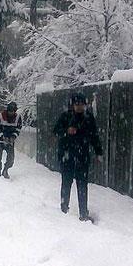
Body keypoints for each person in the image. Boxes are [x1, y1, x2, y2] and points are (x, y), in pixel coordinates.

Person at [54, 93, 103, 221]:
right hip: (67, 155)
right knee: (67, 182)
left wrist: (98, 152)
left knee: (82, 184)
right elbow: (56, 130)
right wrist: (66, 130)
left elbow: (94, 136)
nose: (80, 107)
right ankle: (64, 208)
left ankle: (83, 213)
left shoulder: (88, 118)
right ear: (73, 105)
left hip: (82, 156)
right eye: (77, 104)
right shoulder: (66, 117)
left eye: (82, 104)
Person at [0, 101, 22, 179]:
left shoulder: (18, 118)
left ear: (15, 111)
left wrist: (13, 137)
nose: (11, 113)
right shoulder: (0, 116)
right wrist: (2, 137)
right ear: (7, 110)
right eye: (9, 111)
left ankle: (5, 170)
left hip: (10, 141)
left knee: (11, 159)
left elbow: (18, 129)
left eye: (12, 111)